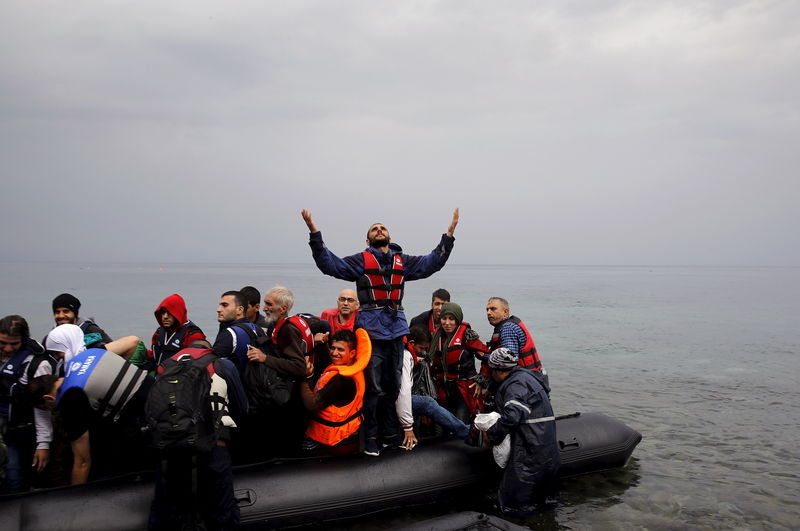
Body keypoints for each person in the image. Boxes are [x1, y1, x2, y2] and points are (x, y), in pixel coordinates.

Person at [301, 208, 459, 456]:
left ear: (389, 235)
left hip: (396, 329)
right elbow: (330, 265)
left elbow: (432, 263)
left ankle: (391, 434)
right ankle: (372, 438)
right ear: (368, 240)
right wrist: (314, 233)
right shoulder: (361, 261)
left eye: (382, 228)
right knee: (374, 388)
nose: (379, 230)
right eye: (374, 229)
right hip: (371, 331)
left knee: (393, 385)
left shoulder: (402, 261)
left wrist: (448, 237)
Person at [148, 340, 247, 531]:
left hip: (170, 449)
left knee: (167, 513)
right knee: (222, 514)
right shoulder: (222, 365)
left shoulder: (165, 367)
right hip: (213, 448)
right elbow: (242, 408)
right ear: (209, 349)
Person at [28, 342, 152, 484]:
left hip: (147, 415)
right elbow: (133, 340)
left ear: (48, 398)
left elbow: (82, 462)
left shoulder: (69, 399)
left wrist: (76, 500)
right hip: (157, 387)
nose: (52, 412)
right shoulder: (83, 356)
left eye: (47, 409)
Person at [481, 348, 559, 516]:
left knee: (513, 502)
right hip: (546, 445)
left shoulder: (516, 385)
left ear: (497, 370)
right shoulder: (527, 377)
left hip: (531, 447)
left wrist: (491, 434)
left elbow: (512, 416)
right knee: (543, 500)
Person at [243, 286, 311, 458]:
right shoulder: (279, 325)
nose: (264, 308)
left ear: (282, 309)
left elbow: (299, 366)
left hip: (293, 398)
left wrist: (264, 358)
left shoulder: (287, 330)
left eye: (268, 304)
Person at [396, 326, 477, 450]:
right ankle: (469, 432)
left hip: (385, 398)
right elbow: (404, 392)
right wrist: (408, 427)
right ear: (411, 343)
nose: (424, 352)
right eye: (421, 348)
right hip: (394, 400)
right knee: (427, 403)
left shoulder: (398, 349)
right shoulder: (406, 356)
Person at [0, 315, 50, 493]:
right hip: (2, 429)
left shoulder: (38, 365)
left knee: (15, 479)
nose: (7, 348)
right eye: (3, 342)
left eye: (14, 344)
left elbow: (43, 409)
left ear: (24, 339)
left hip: (22, 432)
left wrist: (43, 444)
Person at [301, 329, 371, 453]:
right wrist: (323, 345)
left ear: (352, 353)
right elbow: (330, 361)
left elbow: (311, 405)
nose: (334, 353)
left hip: (333, 438)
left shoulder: (342, 380)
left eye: (340, 350)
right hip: (349, 430)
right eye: (333, 348)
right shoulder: (352, 368)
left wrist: (304, 378)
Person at [428, 302, 488, 424]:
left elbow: (487, 357)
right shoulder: (436, 337)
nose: (447, 323)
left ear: (458, 320)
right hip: (442, 389)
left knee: (460, 424)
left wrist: (480, 380)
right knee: (441, 425)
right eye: (444, 318)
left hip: (463, 390)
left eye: (451, 319)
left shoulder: (467, 336)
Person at [485, 297, 547, 386]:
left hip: (525, 382)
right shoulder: (507, 325)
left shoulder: (508, 328)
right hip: (533, 377)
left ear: (505, 312)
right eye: (487, 309)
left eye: (493, 309)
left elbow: (507, 361)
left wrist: (483, 356)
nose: (488, 312)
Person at [148, 293, 206, 369]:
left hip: (178, 378)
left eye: (169, 313)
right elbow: (153, 355)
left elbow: (198, 365)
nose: (165, 317)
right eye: (163, 312)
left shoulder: (193, 335)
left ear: (178, 313)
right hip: (158, 374)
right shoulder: (159, 333)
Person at [212, 290, 264, 374]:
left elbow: (212, 364)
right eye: (220, 305)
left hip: (236, 385)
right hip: (256, 384)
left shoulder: (230, 333)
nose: (218, 310)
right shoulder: (257, 329)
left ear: (240, 310)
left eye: (225, 305)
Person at [45, 293, 112, 349]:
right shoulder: (50, 337)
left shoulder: (91, 330)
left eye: (66, 311)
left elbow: (112, 349)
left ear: (75, 313)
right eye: (57, 312)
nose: (61, 316)